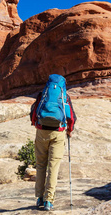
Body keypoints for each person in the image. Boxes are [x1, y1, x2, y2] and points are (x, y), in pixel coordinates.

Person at [30, 74, 77, 211]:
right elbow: (71, 117)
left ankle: (39, 198)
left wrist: (35, 124)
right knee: (53, 167)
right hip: (58, 132)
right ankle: (48, 201)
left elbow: (34, 112)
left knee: (40, 166)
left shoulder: (42, 94)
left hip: (41, 132)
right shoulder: (65, 96)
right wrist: (69, 130)